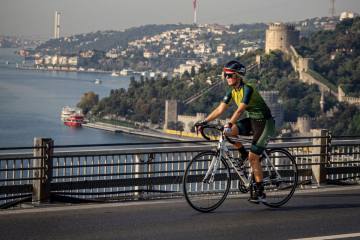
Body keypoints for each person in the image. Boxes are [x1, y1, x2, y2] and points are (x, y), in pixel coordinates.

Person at [195, 60, 275, 203]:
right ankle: (243, 154)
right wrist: (204, 122)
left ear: (238, 76)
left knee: (253, 158)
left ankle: (260, 192)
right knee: (227, 133)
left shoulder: (247, 89)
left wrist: (229, 123)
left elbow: (240, 110)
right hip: (252, 121)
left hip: (265, 123)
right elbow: (220, 109)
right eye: (225, 75)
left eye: (230, 75)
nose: (227, 78)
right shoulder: (232, 92)